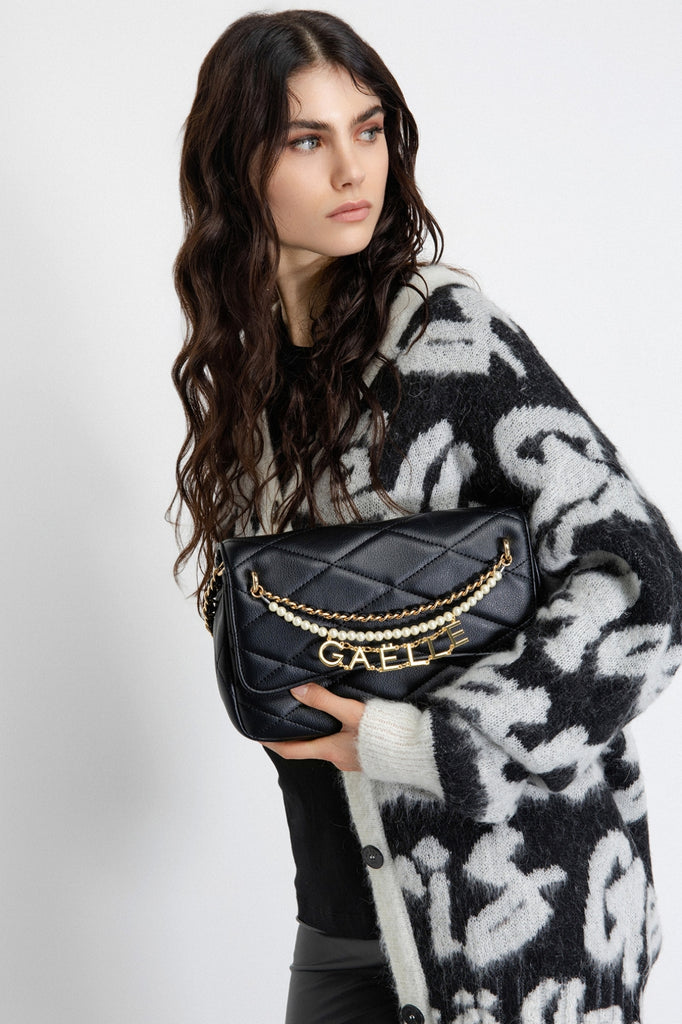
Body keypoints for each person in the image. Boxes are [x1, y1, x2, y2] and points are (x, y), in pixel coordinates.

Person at [168, 10, 682, 1024]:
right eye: (306, 140)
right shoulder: (251, 390)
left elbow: (643, 584)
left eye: (368, 129)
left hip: (512, 928)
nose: (352, 167)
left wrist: (418, 742)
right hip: (340, 924)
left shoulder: (445, 338)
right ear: (234, 170)